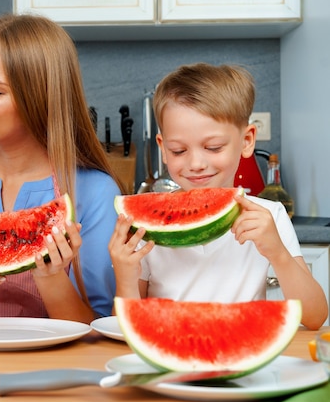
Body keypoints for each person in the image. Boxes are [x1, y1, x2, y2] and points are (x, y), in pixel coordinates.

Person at [0, 13, 124, 324]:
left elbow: (100, 328)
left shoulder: (95, 192)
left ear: (38, 99)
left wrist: (52, 279)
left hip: (54, 369)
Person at [109, 62, 328, 330]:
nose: (196, 163)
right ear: (163, 149)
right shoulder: (144, 229)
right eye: (178, 151)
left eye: (213, 147)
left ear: (247, 141)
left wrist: (279, 254)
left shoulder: (269, 217)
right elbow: (128, 329)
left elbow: (315, 317)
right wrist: (125, 275)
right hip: (170, 356)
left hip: (243, 354)